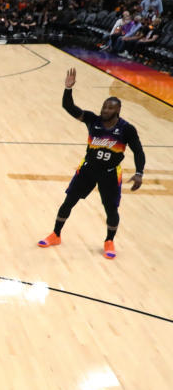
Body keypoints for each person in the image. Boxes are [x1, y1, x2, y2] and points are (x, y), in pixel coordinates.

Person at [38, 68, 146, 259]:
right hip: (88, 169)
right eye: (104, 107)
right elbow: (69, 107)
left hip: (110, 173)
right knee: (68, 201)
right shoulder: (92, 120)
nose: (105, 110)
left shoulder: (127, 129)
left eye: (110, 108)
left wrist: (139, 173)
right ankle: (56, 234)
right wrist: (68, 88)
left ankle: (109, 241)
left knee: (111, 209)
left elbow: (138, 151)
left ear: (118, 110)